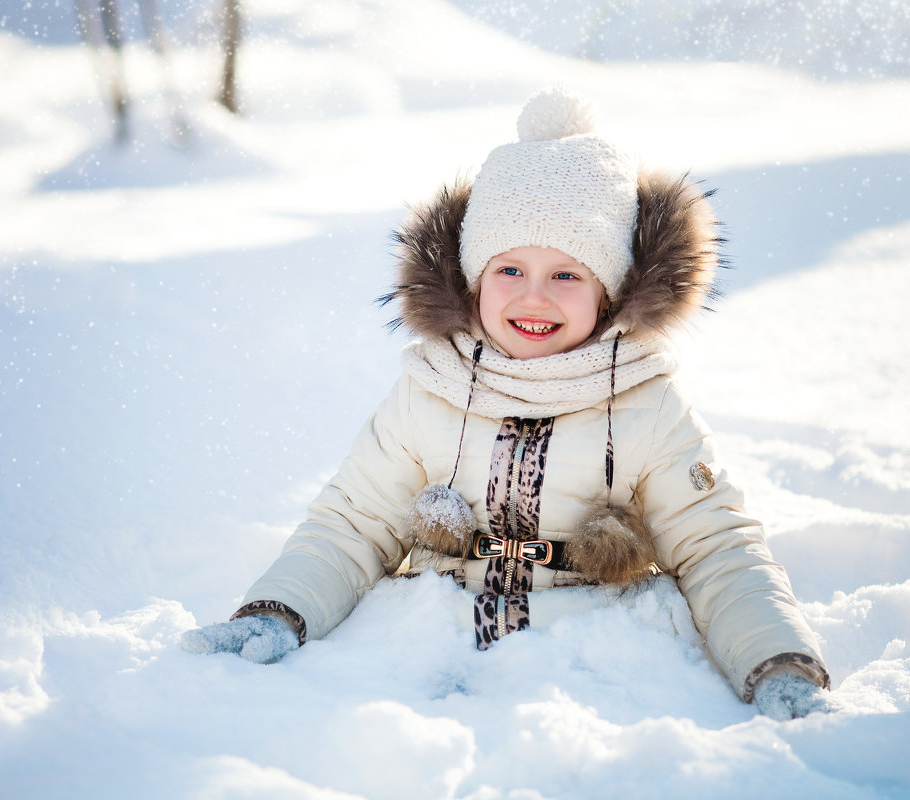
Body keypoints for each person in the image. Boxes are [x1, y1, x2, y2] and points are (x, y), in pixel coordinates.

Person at [181, 87, 834, 720]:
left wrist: (776, 656)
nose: (534, 298)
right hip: (426, 668)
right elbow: (351, 525)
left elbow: (717, 546)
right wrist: (277, 609)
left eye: (568, 275)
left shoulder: (646, 405)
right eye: (510, 270)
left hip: (594, 682)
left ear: (609, 292)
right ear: (474, 279)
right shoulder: (429, 391)